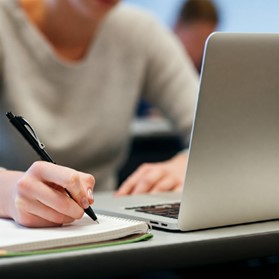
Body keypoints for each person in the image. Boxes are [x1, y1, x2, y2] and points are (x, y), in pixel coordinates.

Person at [0, 0, 199, 227]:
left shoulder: (139, 31)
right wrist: (7, 191)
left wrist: (189, 165)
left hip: (111, 225)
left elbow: (218, 130)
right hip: (16, 233)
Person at [174, 0, 219, 73]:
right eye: (197, 41)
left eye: (206, 45)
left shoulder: (204, 70)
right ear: (178, 26)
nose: (201, 52)